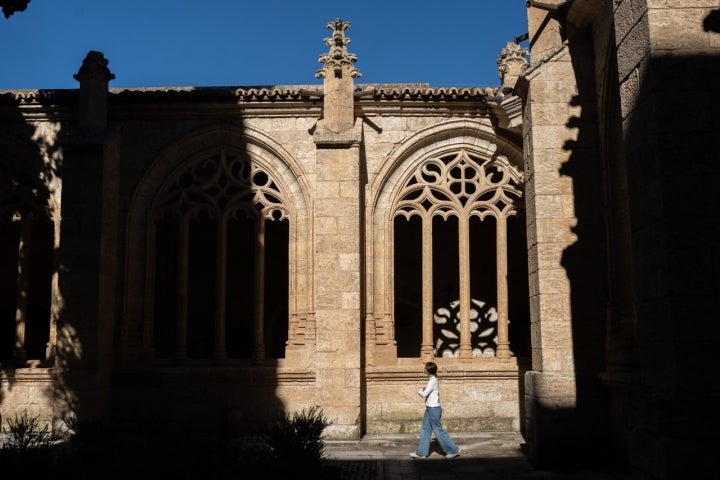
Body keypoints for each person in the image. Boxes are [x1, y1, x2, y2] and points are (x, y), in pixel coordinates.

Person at [410, 361, 461, 458]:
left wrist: (420, 390)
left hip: (434, 409)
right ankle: (421, 453)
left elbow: (424, 394)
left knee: (438, 431)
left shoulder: (432, 380)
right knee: (425, 430)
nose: (424, 369)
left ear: (429, 370)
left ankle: (453, 450)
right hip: (430, 409)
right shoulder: (432, 380)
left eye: (425, 368)